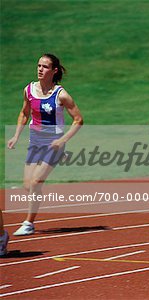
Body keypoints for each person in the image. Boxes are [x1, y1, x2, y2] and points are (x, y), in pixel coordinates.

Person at [7, 54, 83, 236]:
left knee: (35, 182)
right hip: (35, 143)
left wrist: (63, 140)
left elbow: (78, 120)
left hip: (53, 144)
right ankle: (37, 196)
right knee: (27, 184)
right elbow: (24, 113)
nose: (40, 69)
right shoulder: (29, 90)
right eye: (39, 66)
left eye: (45, 67)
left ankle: (28, 223)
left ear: (54, 70)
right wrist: (16, 135)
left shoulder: (61, 95)